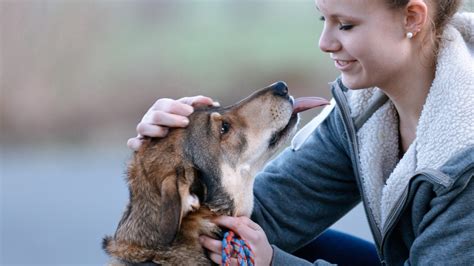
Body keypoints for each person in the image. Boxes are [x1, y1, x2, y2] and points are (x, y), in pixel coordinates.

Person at [127, 0, 474, 265]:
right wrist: (169, 156)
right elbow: (257, 217)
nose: (324, 42)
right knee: (234, 240)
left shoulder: (464, 152)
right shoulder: (363, 113)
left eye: (346, 25)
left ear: (412, 18)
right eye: (325, 20)